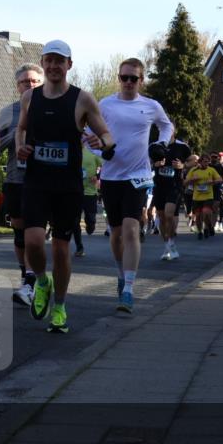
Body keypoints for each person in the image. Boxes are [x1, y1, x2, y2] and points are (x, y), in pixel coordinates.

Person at [16, 40, 113, 333]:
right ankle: (42, 282)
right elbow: (21, 129)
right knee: (32, 241)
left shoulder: (82, 99)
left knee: (60, 249)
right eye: (49, 60)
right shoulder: (29, 98)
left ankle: (59, 306)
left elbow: (107, 135)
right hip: (35, 181)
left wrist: (101, 142)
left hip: (67, 185)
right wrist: (21, 147)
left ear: (69, 65)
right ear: (43, 64)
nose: (54, 66)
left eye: (60, 61)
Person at [98, 58, 173, 315]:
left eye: (133, 78)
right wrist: (100, 152)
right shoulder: (105, 105)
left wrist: (160, 144)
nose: (128, 82)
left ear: (141, 81)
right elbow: (87, 134)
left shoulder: (150, 106)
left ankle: (129, 289)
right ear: (119, 78)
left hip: (138, 176)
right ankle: (121, 274)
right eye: (124, 77)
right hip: (110, 177)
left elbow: (167, 125)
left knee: (132, 229)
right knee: (116, 234)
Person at [0, 63, 44, 305]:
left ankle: (33, 282)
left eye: (35, 81)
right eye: (25, 82)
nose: (30, 85)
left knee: (35, 232)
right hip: (15, 178)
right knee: (19, 230)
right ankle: (27, 277)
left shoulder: (51, 108)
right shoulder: (9, 112)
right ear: (17, 87)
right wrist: (14, 136)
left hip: (44, 181)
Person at [151, 134, 190, 260]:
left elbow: (193, 161)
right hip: (159, 186)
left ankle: (171, 241)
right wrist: (155, 165)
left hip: (174, 186)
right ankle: (167, 245)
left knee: (169, 215)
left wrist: (182, 165)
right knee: (162, 217)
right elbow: (145, 162)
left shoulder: (182, 146)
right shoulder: (154, 146)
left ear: (174, 130)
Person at [72, 132, 104, 257]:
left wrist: (97, 177)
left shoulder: (92, 154)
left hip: (90, 192)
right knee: (74, 221)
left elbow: (105, 165)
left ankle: (91, 225)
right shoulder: (70, 153)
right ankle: (79, 246)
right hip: (74, 191)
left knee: (90, 220)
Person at [185, 154, 223, 239]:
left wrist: (213, 182)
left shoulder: (211, 170)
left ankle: (208, 226)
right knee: (198, 216)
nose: (207, 163)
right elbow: (185, 182)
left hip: (208, 196)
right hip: (197, 197)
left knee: (206, 212)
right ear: (200, 162)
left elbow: (220, 179)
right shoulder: (193, 170)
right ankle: (200, 231)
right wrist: (192, 180)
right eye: (205, 162)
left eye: (208, 162)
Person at [209, 151, 223, 232]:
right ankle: (209, 224)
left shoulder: (220, 167)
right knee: (208, 208)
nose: (214, 158)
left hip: (217, 189)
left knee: (217, 206)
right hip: (208, 189)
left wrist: (217, 181)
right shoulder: (208, 165)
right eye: (212, 157)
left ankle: (216, 224)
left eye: (215, 157)